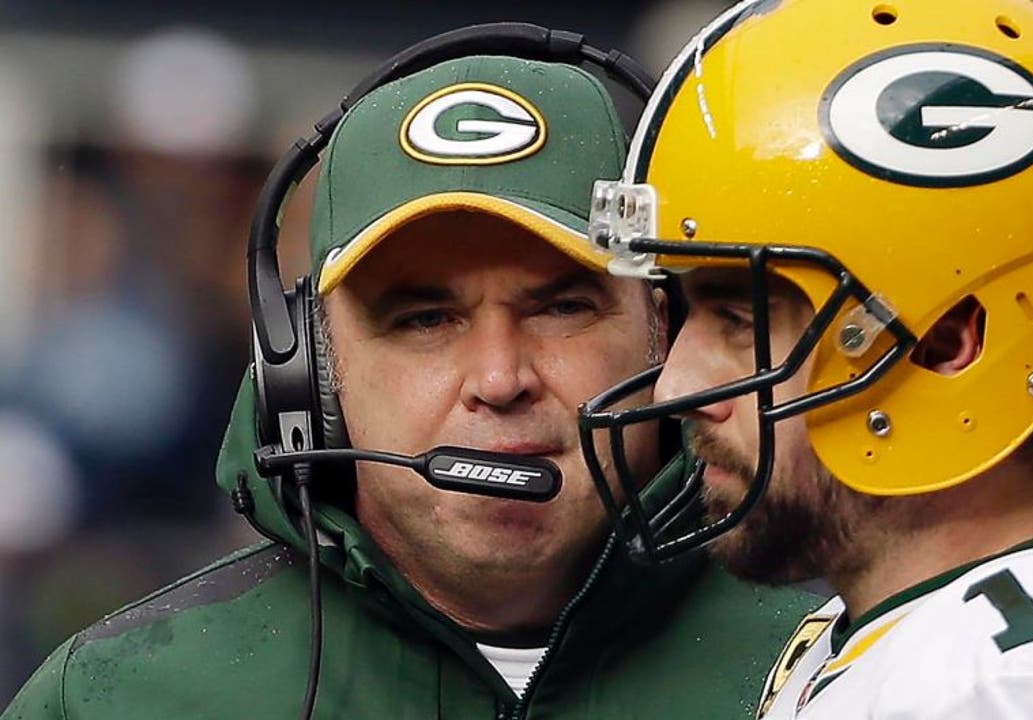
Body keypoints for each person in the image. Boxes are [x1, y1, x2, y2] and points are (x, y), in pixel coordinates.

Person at [3, 46, 818, 719]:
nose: (499, 378)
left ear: (666, 331)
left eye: (562, 307)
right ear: (310, 372)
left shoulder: (842, 673)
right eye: (426, 320)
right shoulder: (117, 700)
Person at [577, 0, 1033, 716]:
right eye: (689, 309)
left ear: (947, 343)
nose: (678, 383)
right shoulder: (940, 645)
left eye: (739, 320)